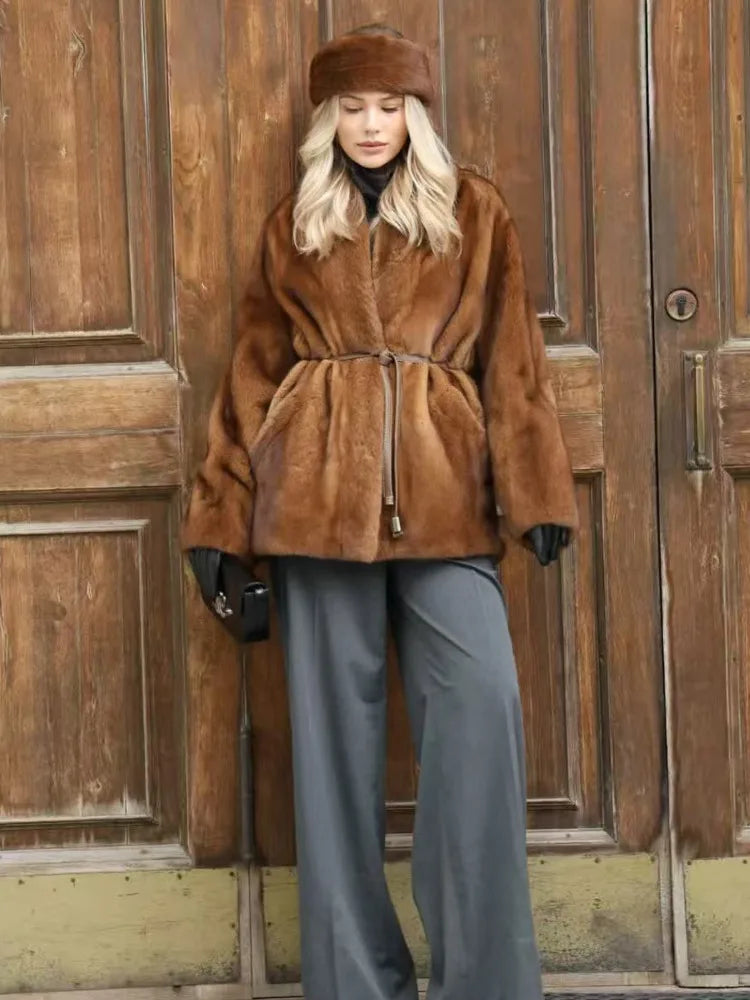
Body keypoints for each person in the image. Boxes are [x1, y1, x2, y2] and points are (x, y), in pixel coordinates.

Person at [181, 22, 579, 1000]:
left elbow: (515, 366)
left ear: (418, 113)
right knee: (328, 758)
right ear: (328, 119)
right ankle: (356, 982)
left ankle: (487, 982)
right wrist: (218, 523)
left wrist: (536, 492)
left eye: (390, 105)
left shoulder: (473, 212)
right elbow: (251, 375)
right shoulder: (294, 222)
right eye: (352, 107)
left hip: (448, 500)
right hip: (313, 502)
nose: (371, 125)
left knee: (479, 712)